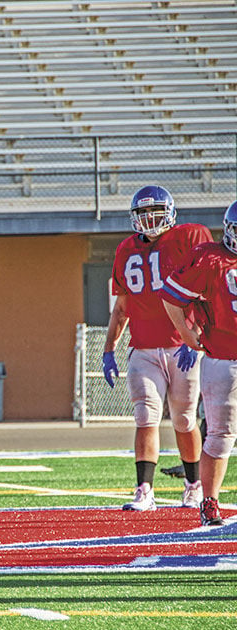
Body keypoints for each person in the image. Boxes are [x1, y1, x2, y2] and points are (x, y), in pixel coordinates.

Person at [102, 185, 211, 511]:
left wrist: (200, 335)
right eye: (143, 214)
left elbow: (208, 289)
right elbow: (121, 307)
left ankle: (193, 485)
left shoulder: (190, 237)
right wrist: (109, 348)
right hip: (144, 348)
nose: (150, 220)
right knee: (145, 416)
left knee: (183, 419)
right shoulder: (125, 249)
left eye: (156, 212)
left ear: (171, 212)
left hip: (183, 347)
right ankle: (144, 490)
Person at [160, 200, 237, 526]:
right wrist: (190, 337)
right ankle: (209, 502)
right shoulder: (210, 259)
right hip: (224, 358)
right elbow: (171, 297)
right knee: (220, 434)